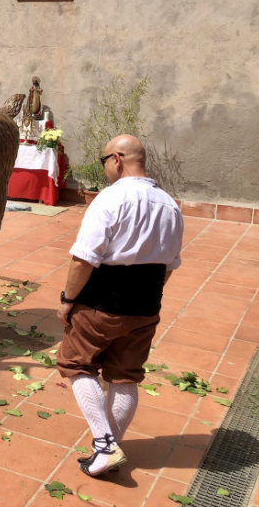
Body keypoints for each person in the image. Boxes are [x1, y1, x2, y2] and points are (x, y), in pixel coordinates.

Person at [56, 135, 183, 478]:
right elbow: (169, 265)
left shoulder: (109, 200)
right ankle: (108, 449)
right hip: (146, 308)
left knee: (75, 364)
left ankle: (104, 444)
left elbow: (83, 259)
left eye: (103, 163)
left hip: (101, 305)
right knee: (125, 378)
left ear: (116, 159)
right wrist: (143, 305)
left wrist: (68, 301)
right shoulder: (170, 205)